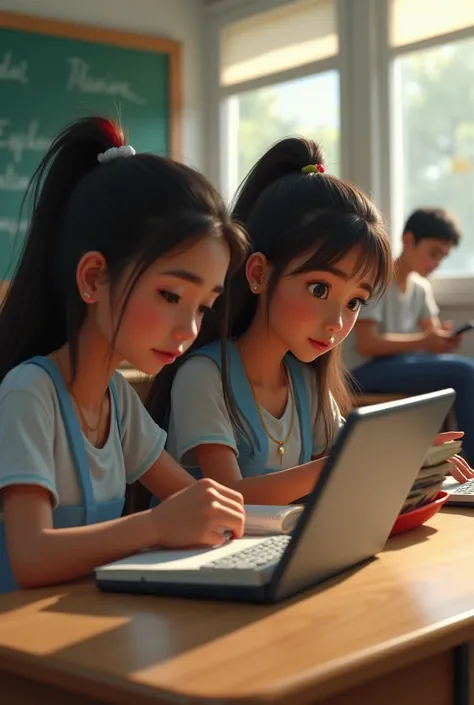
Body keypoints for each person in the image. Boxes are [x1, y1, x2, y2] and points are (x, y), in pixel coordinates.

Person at [0, 116, 248, 593]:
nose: (190, 329)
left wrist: (289, 530)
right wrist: (155, 527)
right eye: (172, 296)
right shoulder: (29, 393)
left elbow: (199, 502)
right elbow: (30, 557)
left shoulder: (118, 401)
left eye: (205, 307)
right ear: (94, 278)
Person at [144, 137, 397, 506]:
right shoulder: (203, 376)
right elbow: (230, 498)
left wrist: (420, 465)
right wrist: (344, 464)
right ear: (259, 273)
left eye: (355, 301)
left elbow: (352, 477)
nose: (337, 322)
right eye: (320, 289)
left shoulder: (308, 383)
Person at [345, 207, 474, 468]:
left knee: (460, 371)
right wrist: (425, 341)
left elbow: (430, 338)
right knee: (464, 371)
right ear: (408, 240)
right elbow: (366, 343)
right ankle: (470, 464)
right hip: (362, 372)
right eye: (433, 253)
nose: (436, 263)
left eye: (443, 257)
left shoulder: (421, 287)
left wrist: (441, 340)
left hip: (401, 366)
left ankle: (448, 462)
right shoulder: (379, 279)